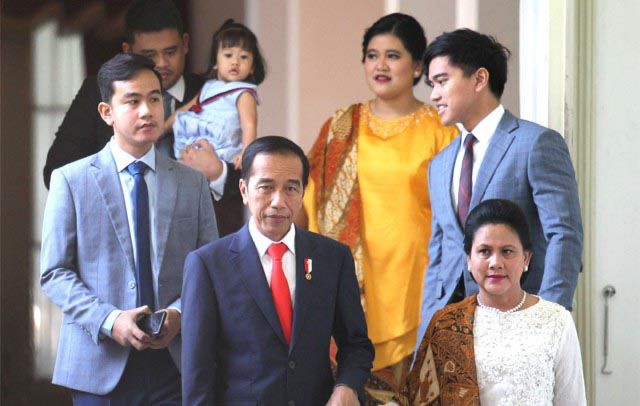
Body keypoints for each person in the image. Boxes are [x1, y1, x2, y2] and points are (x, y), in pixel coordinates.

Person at [39, 53, 218, 404]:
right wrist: (110, 320)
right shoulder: (70, 181)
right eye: (133, 101)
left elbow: (209, 267)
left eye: (154, 99)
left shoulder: (192, 183)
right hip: (98, 363)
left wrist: (179, 313)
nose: (147, 111)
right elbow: (54, 273)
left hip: (175, 365)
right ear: (107, 112)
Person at [301, 13, 457, 403]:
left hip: (417, 285)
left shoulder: (440, 129)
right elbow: (306, 203)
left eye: (393, 55)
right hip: (350, 284)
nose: (380, 65)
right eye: (372, 56)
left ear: (418, 65)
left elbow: (458, 215)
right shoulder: (340, 126)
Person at [417, 28, 583, 344]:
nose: (434, 95)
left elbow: (564, 235)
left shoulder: (535, 144)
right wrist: (425, 337)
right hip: (452, 332)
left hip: (520, 320)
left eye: (442, 81)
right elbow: (438, 257)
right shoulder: (439, 164)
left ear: (480, 79)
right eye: (431, 85)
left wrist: (548, 321)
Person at [181, 136, 374, 405]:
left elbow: (357, 345)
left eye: (291, 189)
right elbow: (197, 373)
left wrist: (346, 387)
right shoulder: (208, 264)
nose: (278, 201)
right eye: (266, 187)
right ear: (244, 190)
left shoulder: (333, 258)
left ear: (303, 192)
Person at [42, 0, 243, 236]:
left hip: (198, 243)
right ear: (127, 51)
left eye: (170, 52)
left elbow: (252, 179)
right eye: (149, 55)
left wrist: (219, 173)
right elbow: (57, 173)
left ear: (185, 44)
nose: (161, 64)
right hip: (115, 239)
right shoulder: (98, 93)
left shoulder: (217, 94)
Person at [402, 199, 586, 405]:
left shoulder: (557, 321)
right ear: (469, 260)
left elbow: (573, 401)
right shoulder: (445, 324)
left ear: (526, 258)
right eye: (484, 251)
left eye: (507, 251)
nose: (495, 263)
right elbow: (417, 399)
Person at [171, 19, 265, 169]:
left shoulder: (243, 93)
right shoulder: (208, 87)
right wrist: (162, 128)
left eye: (243, 57)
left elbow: (249, 124)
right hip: (195, 147)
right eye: (228, 55)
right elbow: (185, 109)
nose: (235, 62)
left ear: (252, 67)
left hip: (221, 153)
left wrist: (246, 154)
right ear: (215, 62)